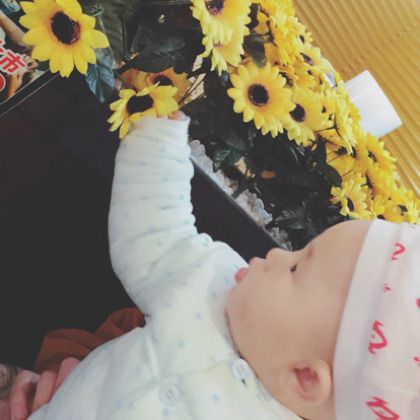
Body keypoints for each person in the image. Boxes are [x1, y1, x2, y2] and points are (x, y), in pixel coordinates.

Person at [9, 111, 420, 419]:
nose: (278, 255)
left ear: (305, 377)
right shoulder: (210, 285)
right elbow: (158, 227)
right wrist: (159, 139)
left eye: (296, 269)